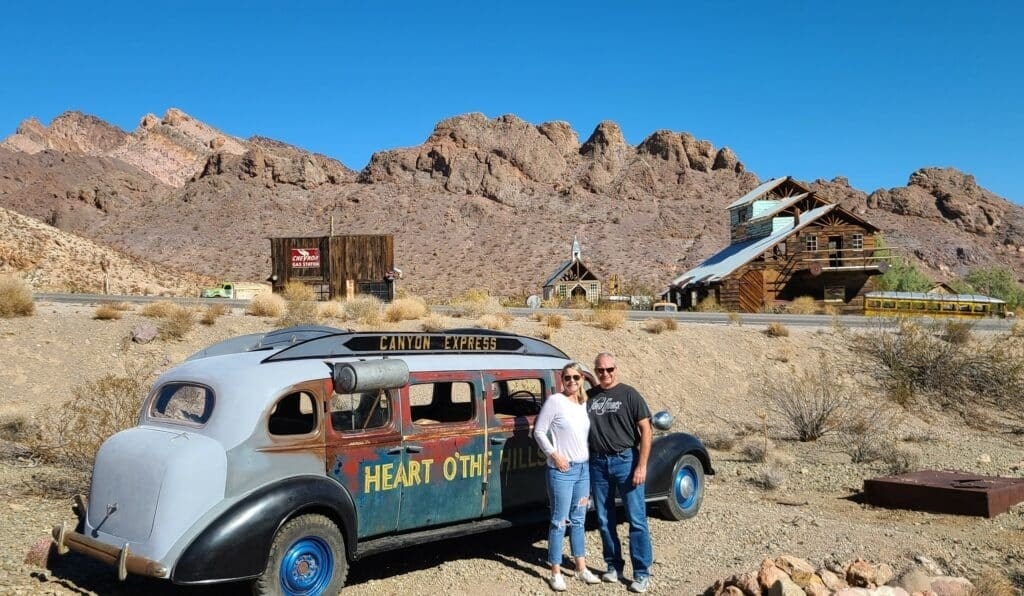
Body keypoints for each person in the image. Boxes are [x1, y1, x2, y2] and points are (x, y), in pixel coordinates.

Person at [586, 352, 654, 594]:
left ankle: (642, 573)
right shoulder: (590, 397)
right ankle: (613, 565)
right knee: (604, 518)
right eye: (600, 370)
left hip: (626, 460)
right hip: (597, 462)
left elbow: (646, 430)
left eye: (609, 369)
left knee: (636, 519)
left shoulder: (629, 394)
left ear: (616, 368)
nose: (605, 374)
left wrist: (642, 465)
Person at [533, 362, 602, 591]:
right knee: (559, 520)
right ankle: (555, 571)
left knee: (580, 518)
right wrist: (554, 454)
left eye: (576, 377)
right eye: (567, 378)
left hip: (583, 469)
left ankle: (581, 567)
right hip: (562, 470)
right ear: (561, 380)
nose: (571, 381)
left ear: (582, 379)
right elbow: (539, 431)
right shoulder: (555, 401)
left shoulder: (583, 403)